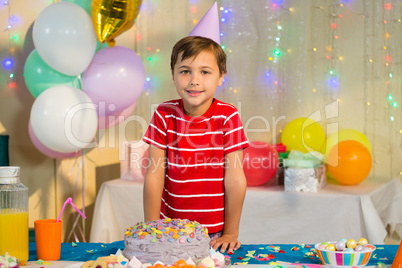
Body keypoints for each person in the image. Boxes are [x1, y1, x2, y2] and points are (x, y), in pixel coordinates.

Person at [143, 36, 248, 253]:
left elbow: (235, 179)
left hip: (213, 234)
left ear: (221, 77)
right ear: (173, 75)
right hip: (170, 230)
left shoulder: (227, 116)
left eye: (205, 72)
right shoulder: (164, 114)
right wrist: (152, 227)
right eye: (185, 71)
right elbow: (154, 175)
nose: (194, 80)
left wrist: (231, 232)